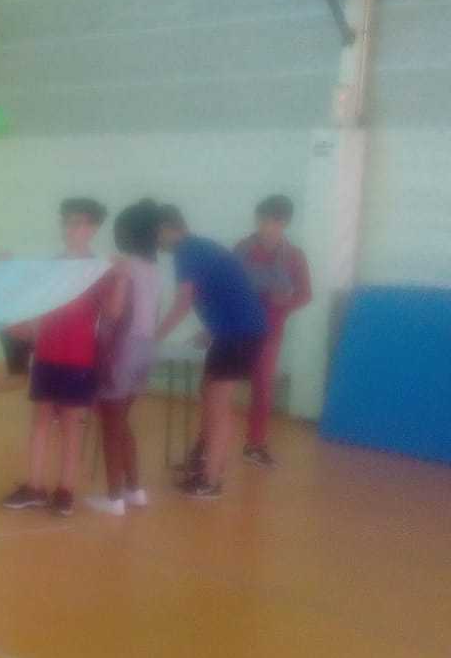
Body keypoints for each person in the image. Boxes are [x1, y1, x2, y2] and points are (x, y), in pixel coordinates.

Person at [1, 199, 123, 518]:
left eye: (79, 223)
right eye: (67, 222)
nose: (71, 229)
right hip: (46, 354)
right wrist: (7, 271)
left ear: (92, 229)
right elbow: (31, 299)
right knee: (40, 420)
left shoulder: (97, 270)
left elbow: (112, 313)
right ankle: (34, 486)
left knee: (71, 424)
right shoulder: (52, 265)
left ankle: (66, 490)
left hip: (78, 358)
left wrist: (121, 278)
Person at [155, 205, 268, 500]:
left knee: (219, 405)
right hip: (234, 331)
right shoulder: (197, 247)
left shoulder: (186, 251)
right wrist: (212, 330)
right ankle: (202, 459)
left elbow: (183, 303)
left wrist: (153, 338)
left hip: (239, 334)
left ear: (167, 228)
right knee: (208, 392)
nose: (155, 242)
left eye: (156, 234)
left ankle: (210, 480)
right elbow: (225, 291)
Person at [88, 200, 163, 516]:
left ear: (127, 233)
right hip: (145, 349)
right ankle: (135, 490)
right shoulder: (154, 270)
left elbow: (115, 312)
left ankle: (114, 498)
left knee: (110, 424)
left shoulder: (124, 266)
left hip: (121, 350)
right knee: (121, 421)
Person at [234, 195, 311, 468]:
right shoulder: (242, 249)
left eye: (275, 222)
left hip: (269, 332)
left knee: (263, 389)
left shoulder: (294, 256)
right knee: (219, 387)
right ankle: (205, 446)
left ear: (285, 223)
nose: (267, 227)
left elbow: (305, 294)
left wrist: (285, 303)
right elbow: (226, 285)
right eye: (262, 220)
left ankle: (255, 445)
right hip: (237, 328)